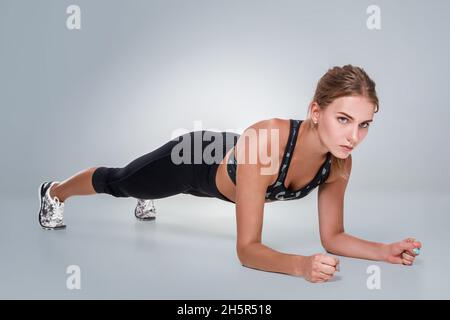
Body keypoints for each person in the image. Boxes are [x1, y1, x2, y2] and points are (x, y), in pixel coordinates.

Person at [37, 64, 422, 283]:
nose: (354, 136)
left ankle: (146, 194)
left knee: (140, 186)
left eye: (365, 124)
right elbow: (247, 250)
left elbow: (333, 237)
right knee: (120, 182)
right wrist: (300, 265)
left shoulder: (339, 160)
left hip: (235, 162)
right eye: (343, 119)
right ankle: (55, 192)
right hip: (193, 161)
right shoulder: (266, 139)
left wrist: (383, 251)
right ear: (316, 111)